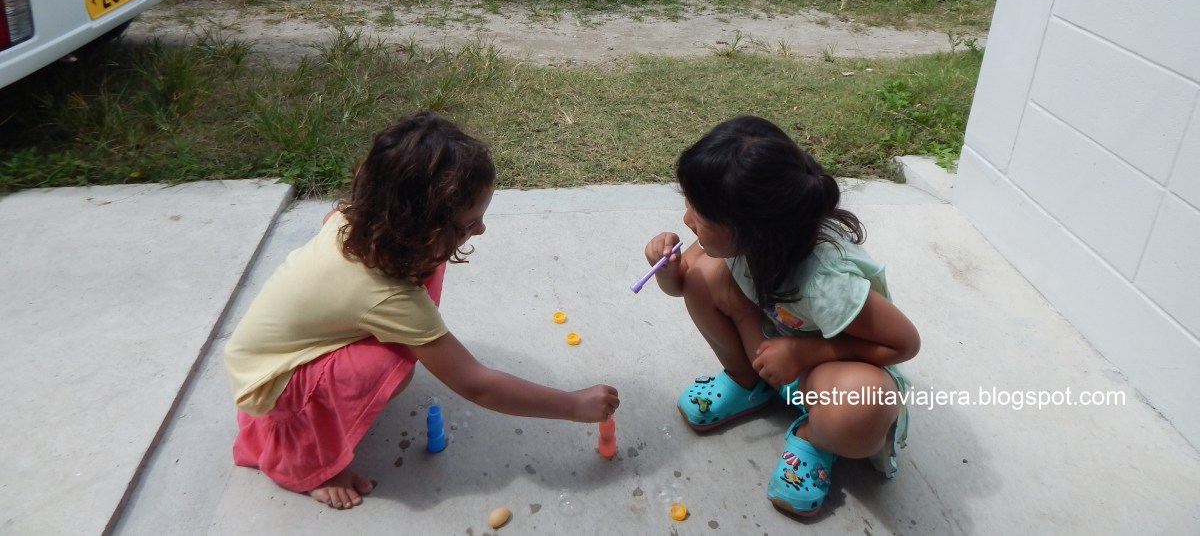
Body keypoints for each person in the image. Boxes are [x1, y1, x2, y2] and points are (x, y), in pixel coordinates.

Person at [224, 111, 619, 511]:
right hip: (270, 383)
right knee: (389, 361)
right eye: (467, 225)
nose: (481, 230)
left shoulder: (354, 220)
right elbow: (476, 384)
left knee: (425, 287)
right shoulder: (387, 297)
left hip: (263, 354)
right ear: (417, 228)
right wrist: (571, 405)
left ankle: (314, 407)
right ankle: (302, 461)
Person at [643, 116, 919, 517]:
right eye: (689, 202)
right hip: (772, 347)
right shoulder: (745, 238)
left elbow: (904, 344)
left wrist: (804, 353)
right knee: (702, 277)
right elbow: (683, 285)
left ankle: (815, 438)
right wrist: (667, 271)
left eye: (699, 215)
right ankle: (746, 381)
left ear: (753, 232)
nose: (687, 219)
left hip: (827, 372)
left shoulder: (826, 280)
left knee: (865, 401)